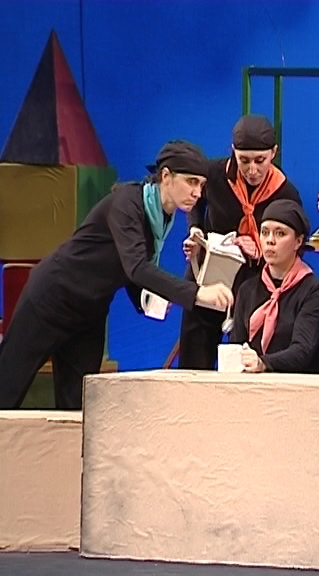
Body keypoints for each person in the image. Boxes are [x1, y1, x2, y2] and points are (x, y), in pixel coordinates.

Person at [0, 140, 234, 410]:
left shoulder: (162, 217)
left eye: (201, 185)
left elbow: (129, 270)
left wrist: (149, 300)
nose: (197, 192)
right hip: (53, 296)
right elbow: (136, 266)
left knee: (79, 405)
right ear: (166, 176)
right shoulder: (127, 202)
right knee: (7, 386)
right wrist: (197, 293)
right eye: (191, 182)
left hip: (90, 310)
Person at [179, 114, 302, 370]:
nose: (252, 170)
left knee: (247, 356)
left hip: (255, 280)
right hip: (210, 272)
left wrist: (260, 248)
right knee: (195, 352)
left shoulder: (285, 192)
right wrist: (195, 230)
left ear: (274, 153)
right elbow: (196, 201)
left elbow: (296, 244)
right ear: (233, 151)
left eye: (260, 160)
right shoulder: (214, 174)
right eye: (244, 160)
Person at [229, 199, 319, 373]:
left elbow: (303, 351)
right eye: (264, 232)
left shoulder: (312, 289)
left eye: (280, 234)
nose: (270, 240)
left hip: (300, 383)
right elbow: (236, 346)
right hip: (254, 383)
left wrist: (263, 363)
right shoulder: (247, 289)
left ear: (298, 241)